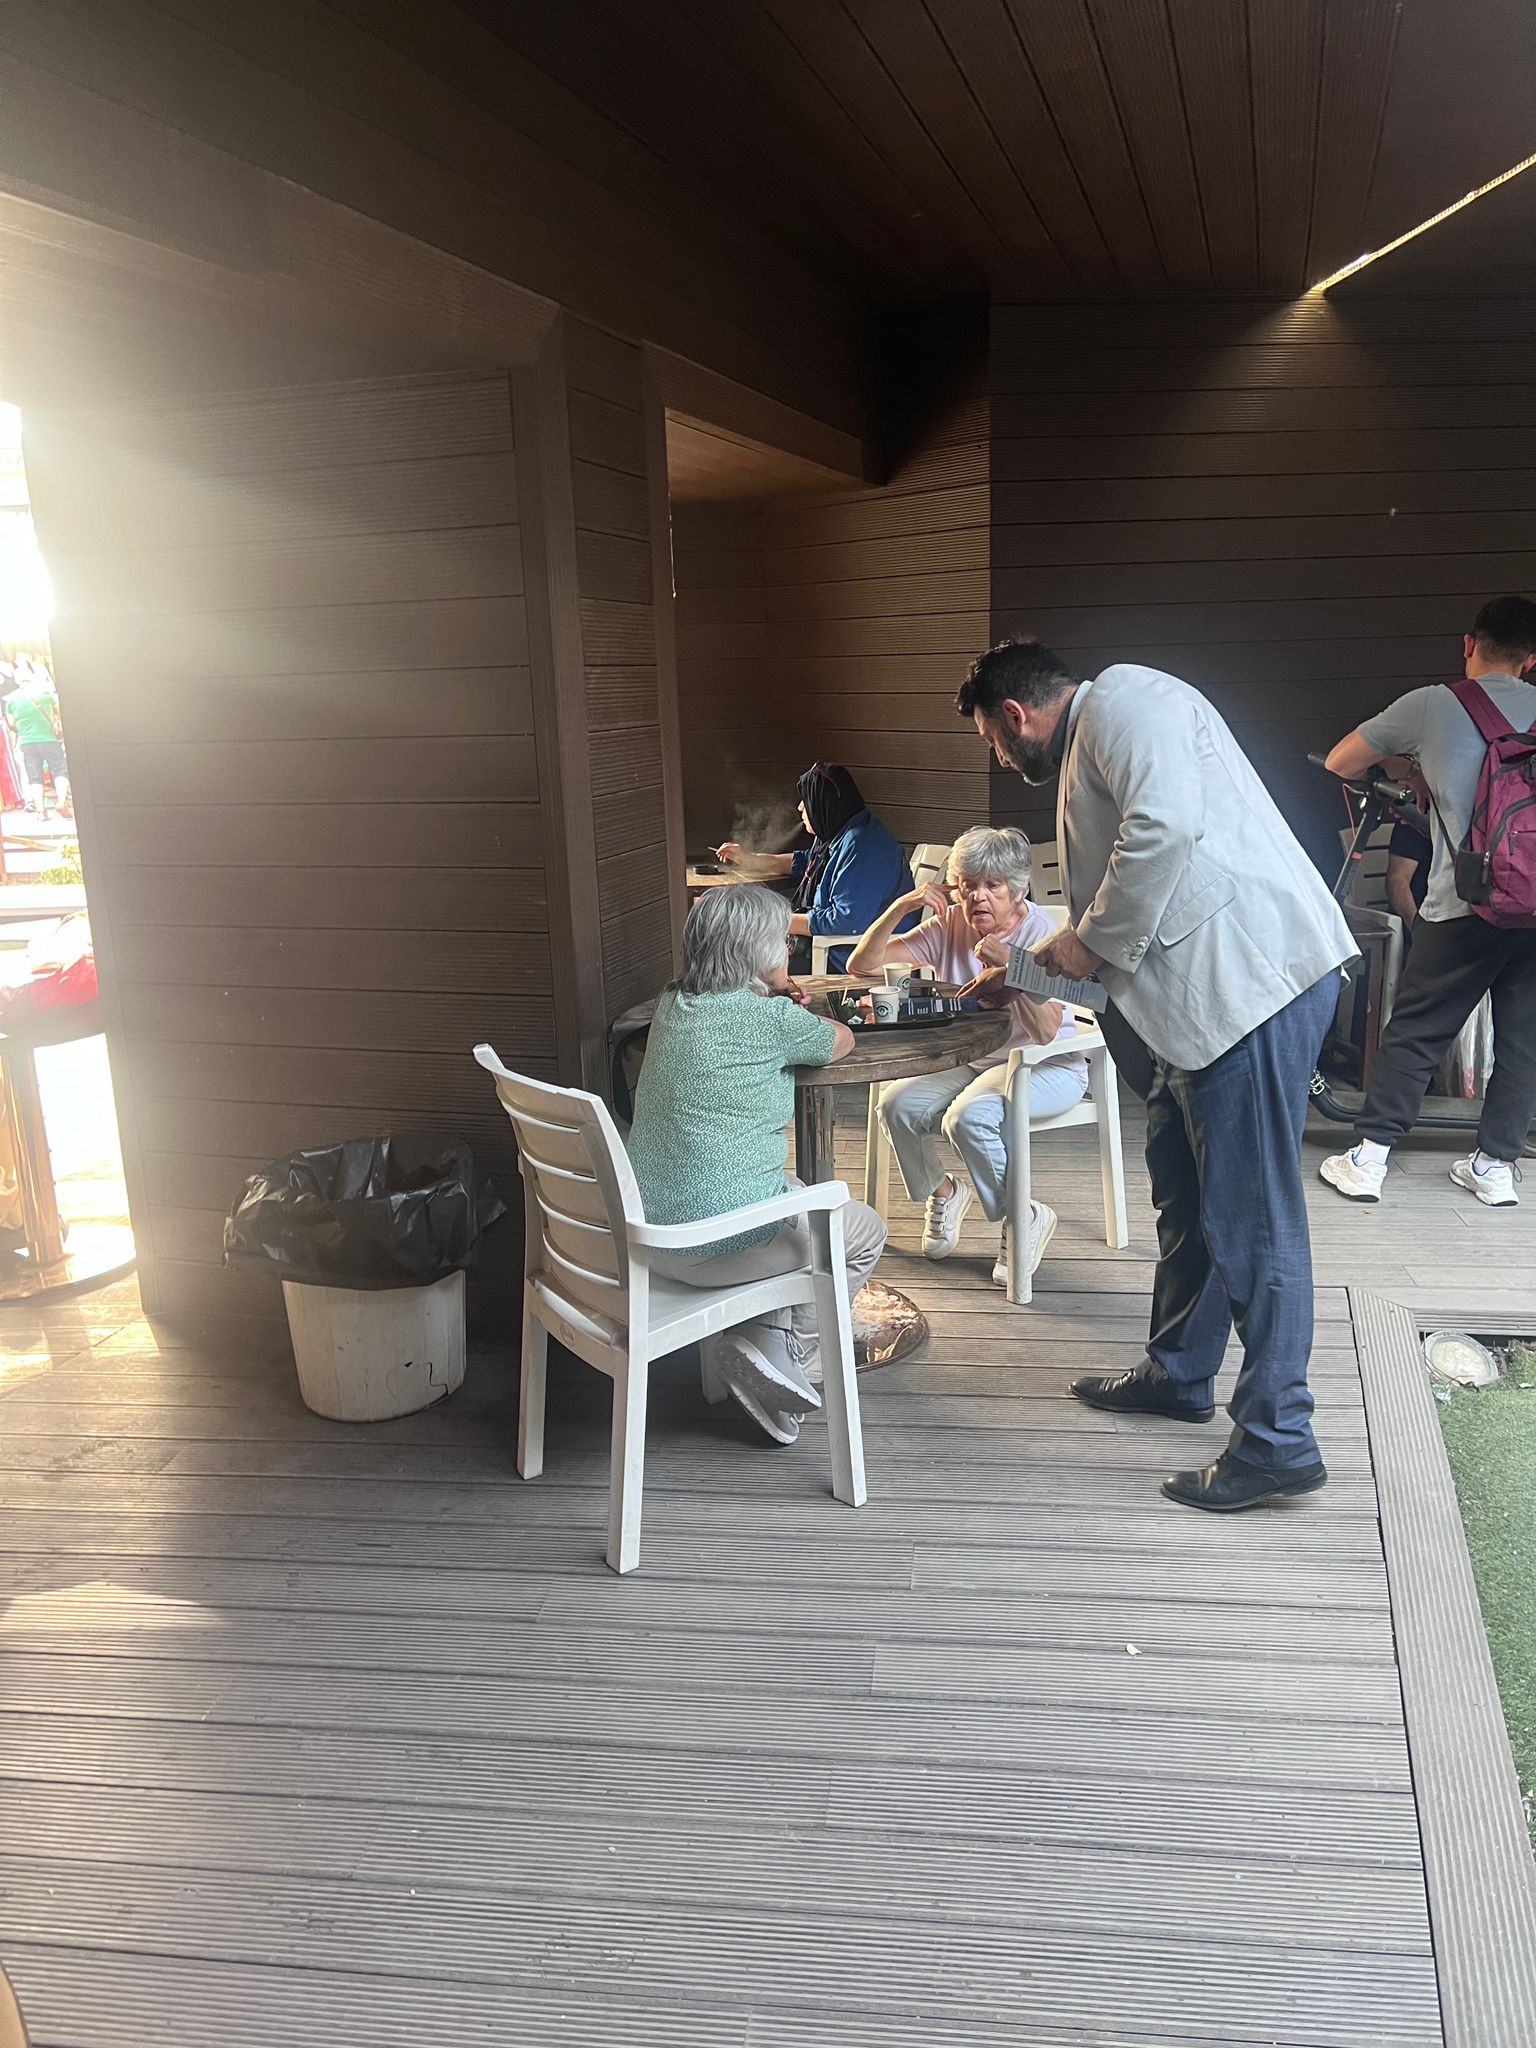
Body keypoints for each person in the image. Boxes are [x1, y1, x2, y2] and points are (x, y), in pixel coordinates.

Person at [957, 637, 1355, 1514]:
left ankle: (1279, 1439)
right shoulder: (1094, 740)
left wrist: (1079, 943)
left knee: (1252, 1220)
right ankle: (1179, 1372)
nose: (1000, 757)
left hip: (1250, 991)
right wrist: (1022, 974)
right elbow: (1113, 936)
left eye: (992, 741)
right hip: (1199, 1014)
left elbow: (1159, 840)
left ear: (1015, 715)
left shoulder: (1125, 699)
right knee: (1186, 1200)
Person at [626, 883, 887, 1445]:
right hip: (714, 1248)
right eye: (783, 944)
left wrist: (772, 998)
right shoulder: (769, 1022)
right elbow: (840, 1040)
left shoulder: (672, 1001)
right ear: (756, 952)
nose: (789, 952)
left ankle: (767, 1342)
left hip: (650, 1235)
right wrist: (790, 1010)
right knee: (863, 1230)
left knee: (785, 1190)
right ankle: (799, 1364)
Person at [1320, 594, 1536, 1209]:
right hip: (1534, 906)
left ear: (1469, 643)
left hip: (1463, 901)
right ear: (1531, 660)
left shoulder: (1432, 705)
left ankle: (1369, 1159)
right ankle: (1494, 1167)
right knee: (1524, 1040)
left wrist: (1420, 767)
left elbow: (1341, 761)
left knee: (1417, 1031)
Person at [847, 825, 1085, 1285]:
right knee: (896, 1105)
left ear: (1017, 891)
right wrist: (902, 906)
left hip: (1045, 1065)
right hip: (974, 1059)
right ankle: (946, 1192)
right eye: (968, 885)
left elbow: (1046, 1032)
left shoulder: (1041, 932)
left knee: (966, 1118)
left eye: (993, 885)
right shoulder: (950, 923)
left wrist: (1010, 967)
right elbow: (862, 965)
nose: (978, 897)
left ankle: (1023, 1218)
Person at [714, 763, 911, 971]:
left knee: (745, 960)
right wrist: (748, 858)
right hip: (826, 948)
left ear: (825, 804)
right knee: (741, 947)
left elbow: (844, 921)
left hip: (844, 958)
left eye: (807, 800)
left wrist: (775, 921)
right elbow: (806, 863)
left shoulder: (863, 847)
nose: (800, 807)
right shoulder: (839, 831)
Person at [4, 656, 69, 818]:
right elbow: (59, 713)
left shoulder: (11, 699)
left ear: (17, 681)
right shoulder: (45, 693)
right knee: (60, 769)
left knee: (34, 776)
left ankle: (41, 811)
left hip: (27, 742)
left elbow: (12, 723)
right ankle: (61, 801)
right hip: (49, 739)